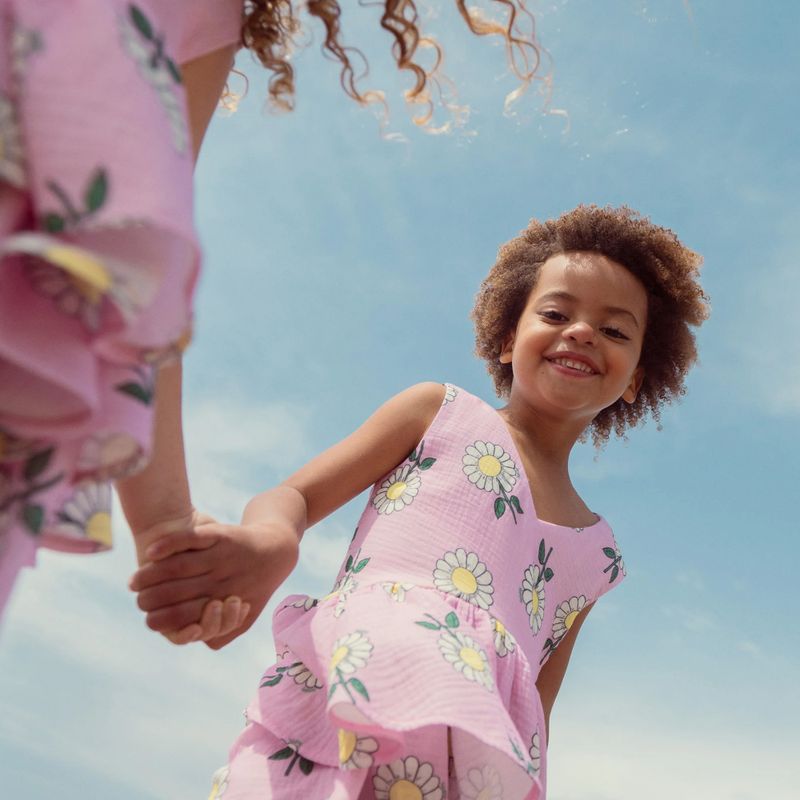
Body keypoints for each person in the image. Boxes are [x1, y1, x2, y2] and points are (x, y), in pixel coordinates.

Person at [129, 205, 709, 797]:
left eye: (615, 331)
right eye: (557, 313)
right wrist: (270, 539)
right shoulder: (438, 411)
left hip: (467, 774)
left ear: (637, 378)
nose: (582, 332)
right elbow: (295, 496)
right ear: (509, 340)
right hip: (343, 713)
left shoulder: (598, 555)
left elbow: (538, 704)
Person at [0, 0, 545, 630]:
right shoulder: (438, 408)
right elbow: (131, 264)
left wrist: (167, 525)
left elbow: (128, 256)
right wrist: (170, 524)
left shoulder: (209, 19)